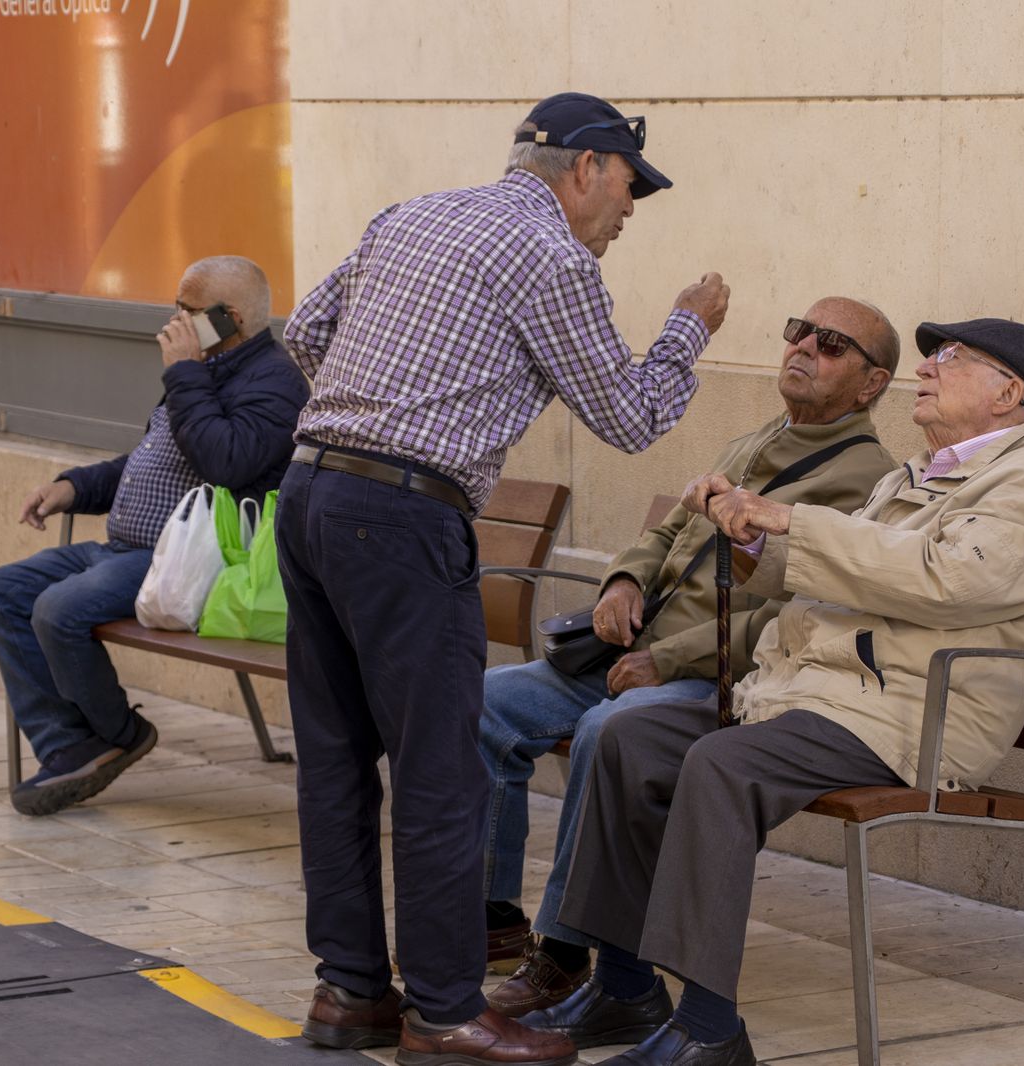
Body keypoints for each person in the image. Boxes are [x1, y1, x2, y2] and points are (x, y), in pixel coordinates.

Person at [276, 92, 731, 1066]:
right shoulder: (551, 255)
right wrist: (689, 328)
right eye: (628, 188)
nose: (629, 210)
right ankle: (443, 1012)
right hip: (403, 514)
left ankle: (350, 991)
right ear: (585, 170)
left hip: (311, 493)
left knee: (335, 756)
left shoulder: (411, 214)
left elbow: (304, 339)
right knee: (440, 768)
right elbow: (630, 413)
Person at [527, 318, 1024, 1066]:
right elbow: (848, 568)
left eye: (948, 359)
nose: (925, 370)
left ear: (1007, 391)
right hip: (824, 694)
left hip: (908, 715)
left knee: (723, 767)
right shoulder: (922, 472)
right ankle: (626, 987)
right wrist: (753, 537)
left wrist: (791, 518)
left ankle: (709, 1029)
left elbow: (951, 578)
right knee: (630, 739)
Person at [480, 297, 900, 1016]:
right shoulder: (754, 441)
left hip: (722, 680)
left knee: (613, 730)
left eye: (831, 345)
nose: (803, 347)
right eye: (798, 330)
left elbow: (789, 615)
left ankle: (563, 952)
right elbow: (670, 527)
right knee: (487, 702)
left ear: (872, 385)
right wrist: (622, 579)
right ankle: (488, 919)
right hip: (631, 658)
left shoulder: (865, 478)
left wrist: (667, 659)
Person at [0, 256, 306, 817]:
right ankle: (70, 744)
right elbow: (152, 461)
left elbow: (225, 461)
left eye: (187, 310)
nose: (171, 322)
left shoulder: (275, 383)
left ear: (229, 319)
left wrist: (183, 375)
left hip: (188, 564)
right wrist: (75, 488)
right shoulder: (203, 368)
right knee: (1, 591)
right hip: (127, 551)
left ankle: (118, 734)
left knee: (59, 609)